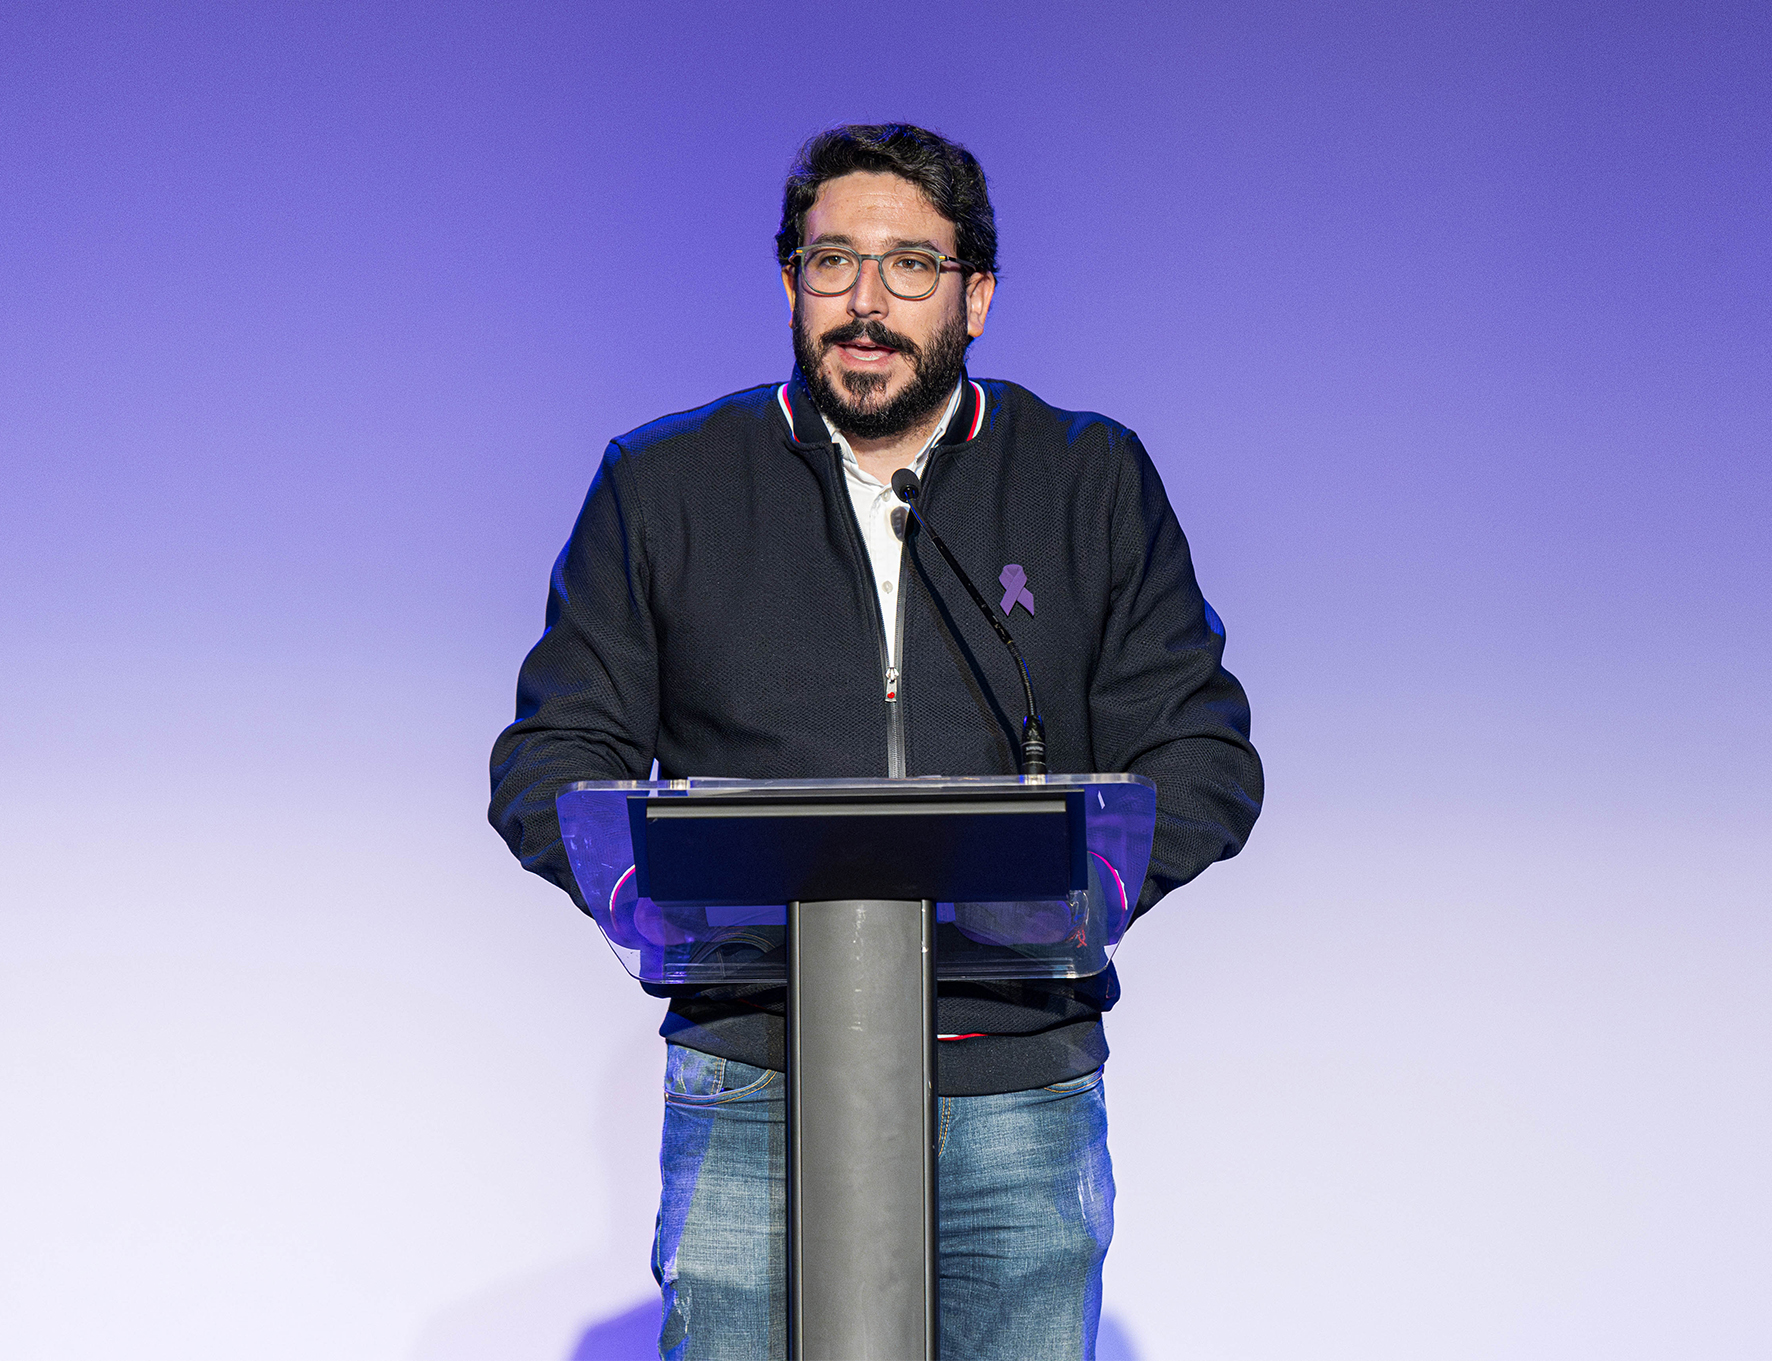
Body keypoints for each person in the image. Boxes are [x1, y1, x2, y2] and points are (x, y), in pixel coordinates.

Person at [489, 123, 1262, 1361]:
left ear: (976, 294)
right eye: (831, 261)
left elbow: (1202, 752)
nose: (865, 302)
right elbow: (551, 751)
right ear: (788, 282)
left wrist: (1093, 880)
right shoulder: (663, 483)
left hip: (1016, 1076)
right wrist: (640, 879)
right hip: (755, 1074)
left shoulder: (1088, 479)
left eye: (909, 265)